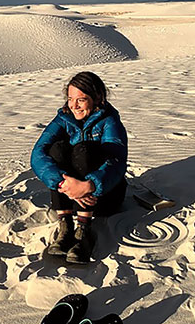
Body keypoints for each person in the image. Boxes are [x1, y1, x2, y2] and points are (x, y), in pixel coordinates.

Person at [31, 71, 128, 264]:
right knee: (56, 149)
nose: (74, 105)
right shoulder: (63, 119)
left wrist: (89, 186)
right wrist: (64, 185)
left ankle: (84, 230)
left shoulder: (110, 121)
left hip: (104, 196)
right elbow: (38, 153)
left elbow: (116, 161)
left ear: (97, 98)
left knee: (85, 151)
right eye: (70, 99)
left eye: (81, 100)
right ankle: (66, 225)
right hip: (69, 196)